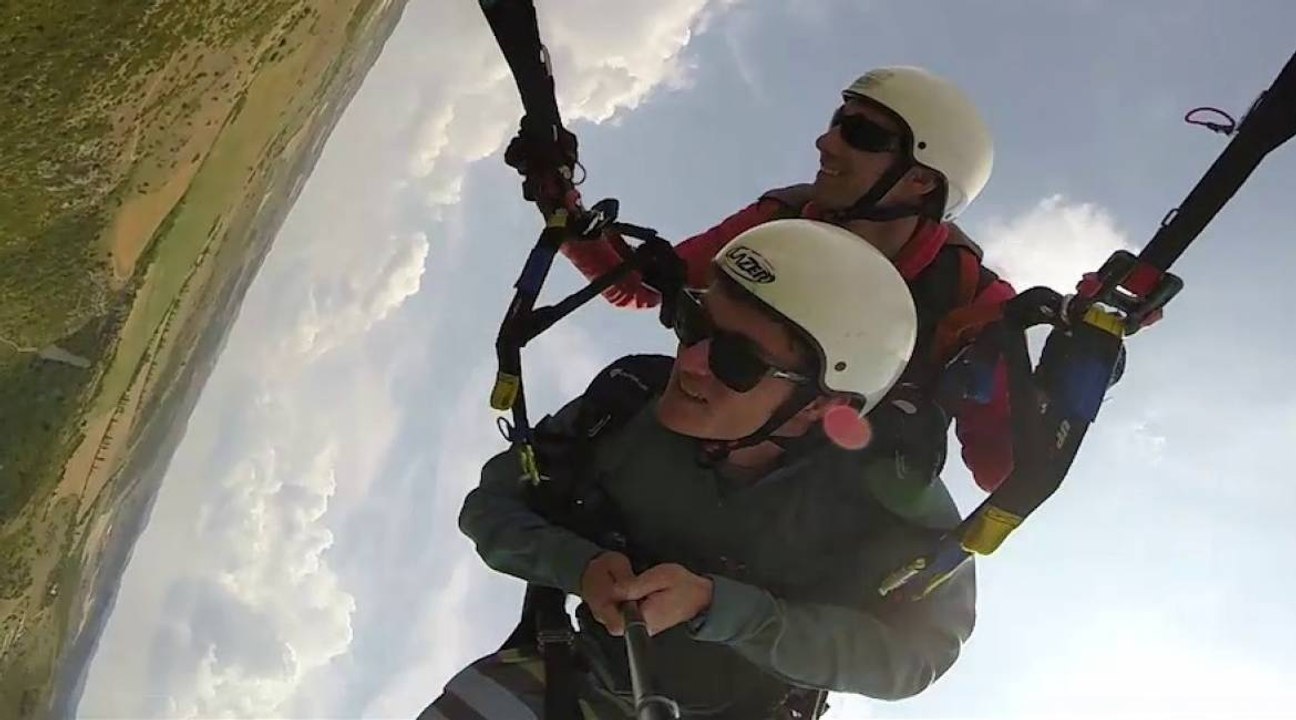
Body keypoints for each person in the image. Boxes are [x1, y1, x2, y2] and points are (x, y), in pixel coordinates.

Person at [421, 218, 976, 719]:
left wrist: (725, 609)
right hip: (570, 677)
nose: (688, 363)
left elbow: (917, 653)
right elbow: (492, 507)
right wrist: (578, 565)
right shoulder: (625, 402)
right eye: (693, 323)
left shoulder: (889, 492)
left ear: (821, 406)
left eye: (737, 361)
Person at [558, 66, 1018, 497]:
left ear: (921, 180)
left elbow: (1002, 467)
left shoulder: (972, 299)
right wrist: (559, 201)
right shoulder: (784, 219)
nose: (826, 142)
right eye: (837, 122)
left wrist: (1044, 413)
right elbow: (643, 284)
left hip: (827, 505)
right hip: (718, 443)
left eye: (862, 134)